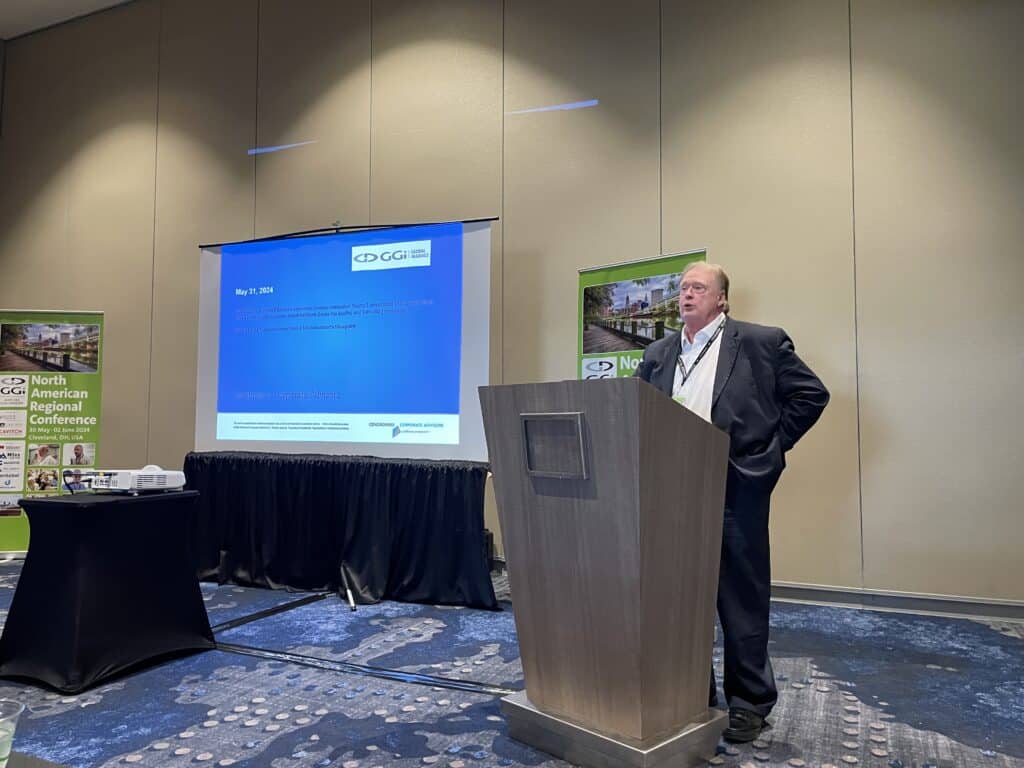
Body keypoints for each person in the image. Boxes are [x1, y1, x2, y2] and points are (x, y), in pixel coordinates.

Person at [637, 262, 829, 742]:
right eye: (683, 288)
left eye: (698, 288)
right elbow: (637, 409)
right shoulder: (658, 353)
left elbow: (811, 395)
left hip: (733, 485)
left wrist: (771, 449)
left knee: (740, 599)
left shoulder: (761, 343)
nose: (686, 294)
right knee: (679, 598)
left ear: (722, 298)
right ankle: (691, 692)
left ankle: (749, 702)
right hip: (670, 489)